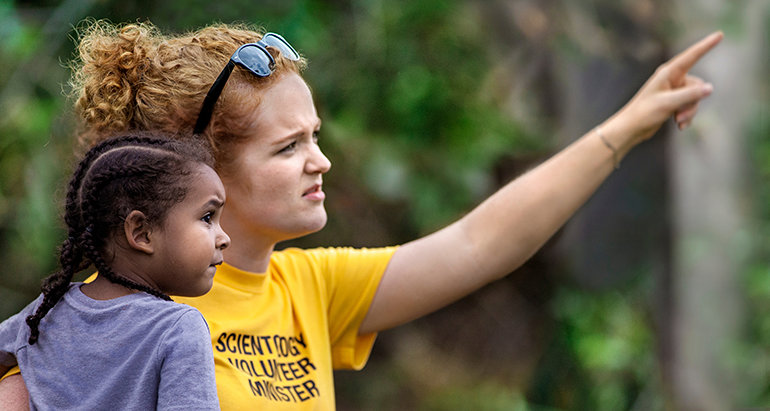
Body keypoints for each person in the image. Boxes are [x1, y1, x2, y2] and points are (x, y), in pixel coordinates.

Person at [0, 20, 722, 410]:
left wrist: (625, 127)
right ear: (200, 170)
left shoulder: (311, 289)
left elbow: (479, 241)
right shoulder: (102, 313)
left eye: (316, 137)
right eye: (289, 147)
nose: (321, 162)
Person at [0, 134, 230, 410]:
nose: (224, 237)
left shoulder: (47, 311)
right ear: (142, 233)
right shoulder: (178, 328)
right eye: (207, 218)